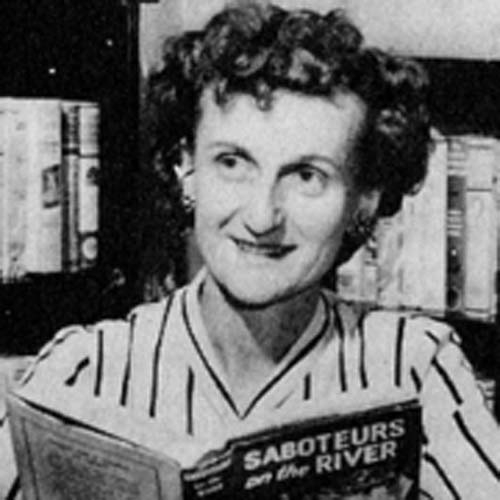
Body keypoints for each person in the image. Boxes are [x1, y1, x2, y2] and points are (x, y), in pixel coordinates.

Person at [1, 2, 499, 498]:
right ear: (185, 167)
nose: (262, 218)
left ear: (364, 196)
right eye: (233, 163)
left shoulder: (415, 368)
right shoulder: (80, 371)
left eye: (307, 176)